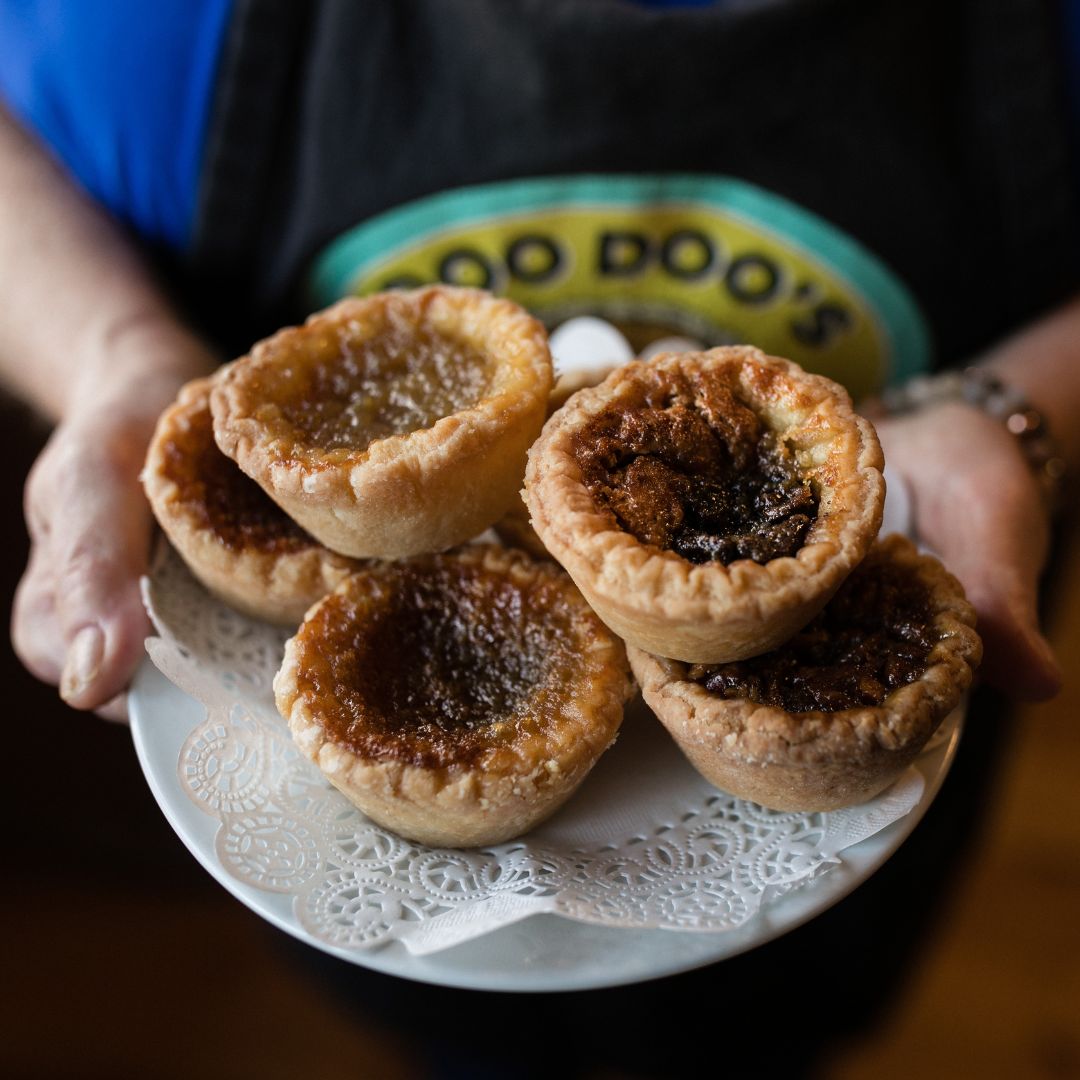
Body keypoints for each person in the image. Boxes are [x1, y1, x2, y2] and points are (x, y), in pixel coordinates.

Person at [0, 0, 1074, 1072]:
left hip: (841, 873)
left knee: (774, 1034)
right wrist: (114, 349)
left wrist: (1019, 407)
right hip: (376, 917)